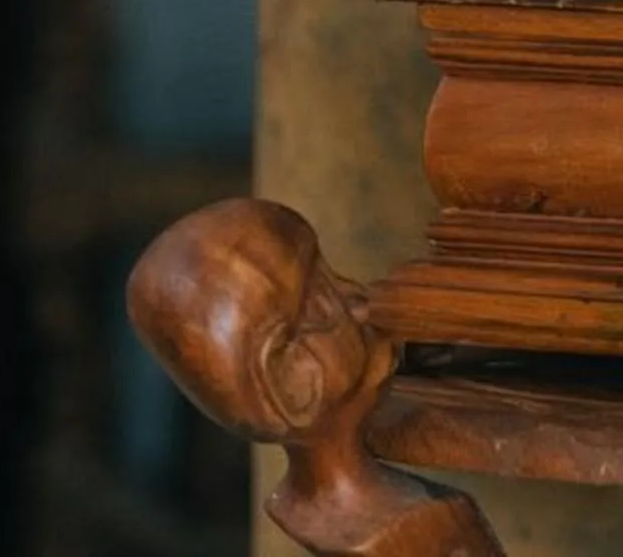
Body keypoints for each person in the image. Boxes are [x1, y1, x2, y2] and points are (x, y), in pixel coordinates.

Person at [131, 199, 504, 557]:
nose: (359, 300)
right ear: (293, 385)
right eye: (323, 300)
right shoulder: (421, 528)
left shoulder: (293, 504)